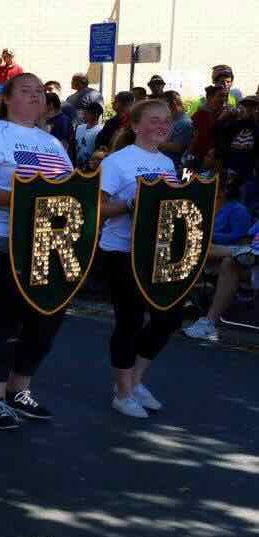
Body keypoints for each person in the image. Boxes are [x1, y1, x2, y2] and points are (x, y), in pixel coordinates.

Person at [0, 72, 74, 430]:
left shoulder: (51, 144)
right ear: (6, 98)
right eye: (27, 90)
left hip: (43, 244)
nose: (36, 97)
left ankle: (19, 391)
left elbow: (69, 188)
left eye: (41, 91)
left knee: (46, 317)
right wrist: (22, 200)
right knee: (1, 321)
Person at [97, 98, 183, 420]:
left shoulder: (167, 164)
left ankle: (135, 380)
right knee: (130, 321)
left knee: (168, 319)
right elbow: (98, 209)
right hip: (121, 252)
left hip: (158, 254)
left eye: (167, 121)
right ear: (135, 126)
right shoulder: (117, 162)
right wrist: (130, 205)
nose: (162, 125)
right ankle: (122, 392)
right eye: (154, 120)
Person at [183, 173, 259, 343]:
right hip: (248, 254)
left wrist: (208, 234)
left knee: (201, 249)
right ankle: (205, 320)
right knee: (203, 250)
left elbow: (239, 235)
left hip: (243, 251)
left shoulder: (239, 210)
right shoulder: (219, 207)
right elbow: (249, 237)